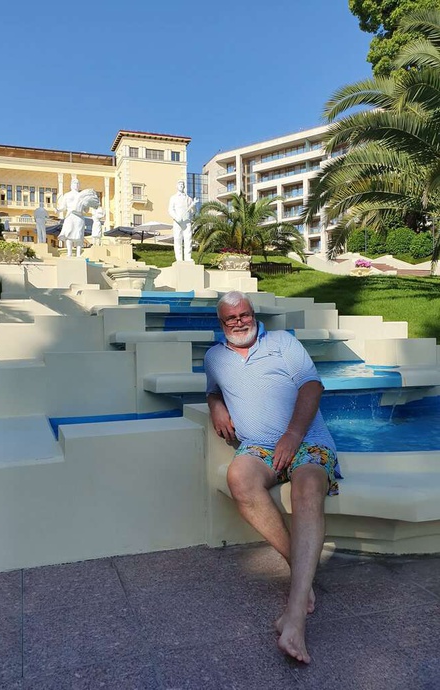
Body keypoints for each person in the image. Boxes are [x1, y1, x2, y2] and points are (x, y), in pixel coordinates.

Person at [204, 291, 340, 665]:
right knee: (239, 478)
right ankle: (301, 573)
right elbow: (213, 390)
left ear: (254, 314)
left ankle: (294, 618)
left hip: (307, 440)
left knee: (307, 486)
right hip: (258, 447)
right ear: (221, 323)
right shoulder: (214, 358)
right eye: (231, 318)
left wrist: (293, 435)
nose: (239, 322)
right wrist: (215, 405)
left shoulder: (282, 342)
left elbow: (312, 386)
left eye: (244, 314)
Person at [56, 178, 99, 257]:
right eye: (74, 183)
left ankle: (78, 254)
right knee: (68, 233)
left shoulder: (82, 195)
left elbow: (86, 210)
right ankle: (69, 253)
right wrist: (58, 210)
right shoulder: (67, 195)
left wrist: (87, 204)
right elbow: (63, 207)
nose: (76, 185)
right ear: (71, 185)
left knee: (79, 235)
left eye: (77, 183)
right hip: (70, 216)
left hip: (79, 217)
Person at [168, 179, 198, 262]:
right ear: (177, 186)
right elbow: (170, 210)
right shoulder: (173, 198)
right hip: (177, 221)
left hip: (187, 221)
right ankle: (179, 258)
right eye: (179, 184)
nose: (181, 185)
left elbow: (193, 211)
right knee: (178, 239)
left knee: (188, 239)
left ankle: (188, 257)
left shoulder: (189, 199)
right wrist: (176, 217)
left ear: (184, 186)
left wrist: (193, 206)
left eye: (182, 184)